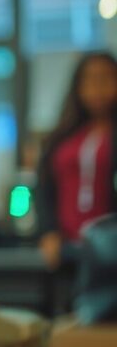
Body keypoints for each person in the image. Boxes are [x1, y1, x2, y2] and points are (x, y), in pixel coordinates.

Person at [36, 52, 117, 271]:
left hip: (110, 251)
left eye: (106, 78)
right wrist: (48, 232)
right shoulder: (62, 136)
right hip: (65, 249)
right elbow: (43, 186)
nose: (98, 87)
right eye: (90, 79)